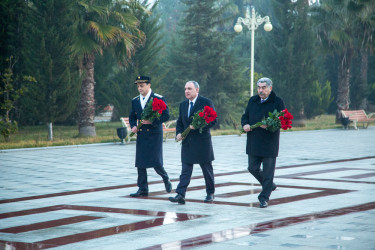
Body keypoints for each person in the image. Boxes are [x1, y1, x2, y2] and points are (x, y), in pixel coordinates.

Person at [169, 81, 217, 205]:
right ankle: (180, 194)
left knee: (207, 169)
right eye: (185, 89)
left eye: (189, 89)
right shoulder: (183, 104)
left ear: (197, 90)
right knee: (185, 169)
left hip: (202, 142)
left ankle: (210, 193)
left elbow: (213, 120)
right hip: (187, 142)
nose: (187, 91)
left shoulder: (206, 102)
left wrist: (200, 126)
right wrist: (179, 133)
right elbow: (180, 122)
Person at [241, 77, 285, 208]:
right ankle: (269, 185)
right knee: (252, 168)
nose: (261, 90)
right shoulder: (253, 100)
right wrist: (245, 124)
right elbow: (245, 116)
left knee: (268, 173)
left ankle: (264, 198)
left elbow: (282, 120)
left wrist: (271, 126)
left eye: (263, 87)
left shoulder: (277, 102)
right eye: (259, 88)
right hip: (253, 141)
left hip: (269, 143)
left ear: (270, 88)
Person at [129, 75, 172, 197]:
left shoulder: (158, 98)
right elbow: (132, 116)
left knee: (156, 162)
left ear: (149, 85)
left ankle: (165, 179)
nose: (140, 88)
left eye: (142, 86)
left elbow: (166, 116)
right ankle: (142, 188)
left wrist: (152, 121)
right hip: (142, 134)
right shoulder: (135, 100)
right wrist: (133, 126)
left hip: (154, 134)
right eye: (138, 86)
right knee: (140, 163)